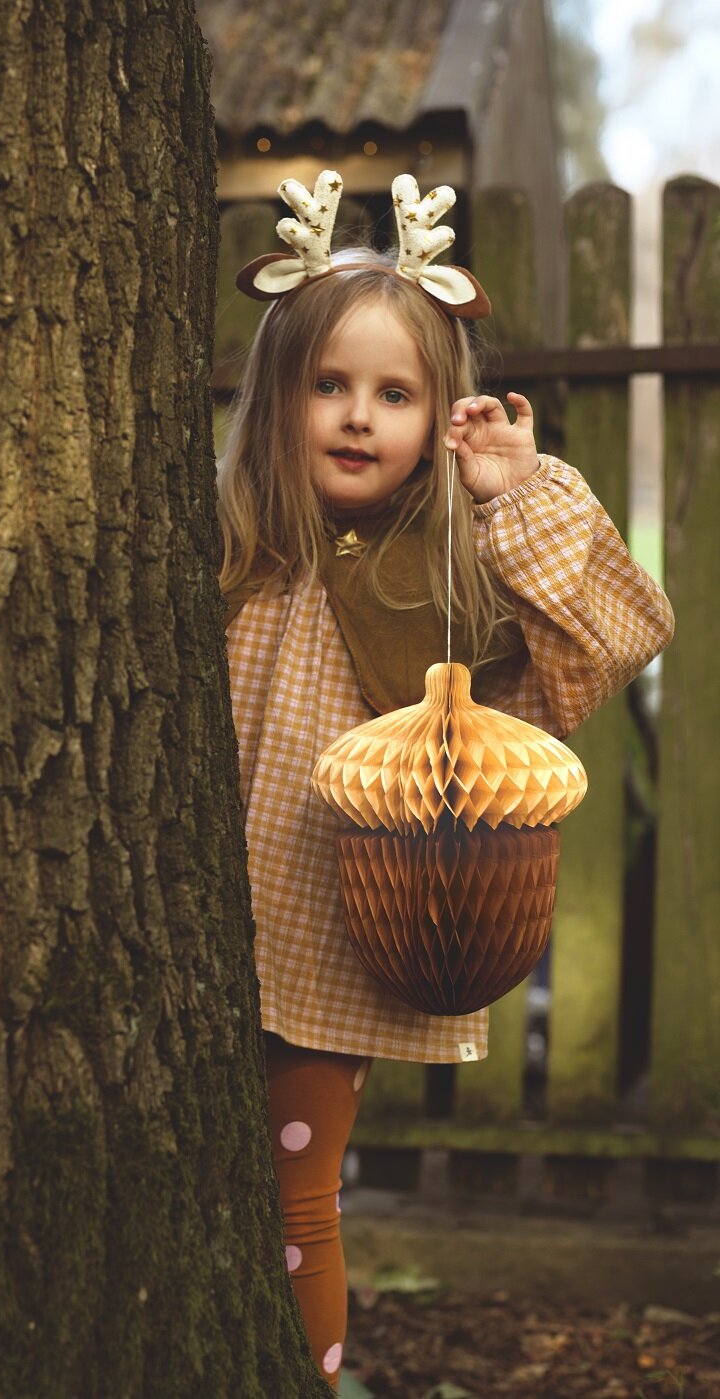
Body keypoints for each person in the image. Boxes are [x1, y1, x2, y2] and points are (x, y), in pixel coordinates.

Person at [218, 172, 674, 1390]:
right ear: (279, 394)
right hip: (196, 934)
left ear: (436, 416)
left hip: (324, 943)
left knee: (295, 1195)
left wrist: (517, 491)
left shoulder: (449, 565)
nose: (357, 417)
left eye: (394, 394)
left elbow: (616, 634)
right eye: (328, 385)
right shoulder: (235, 543)